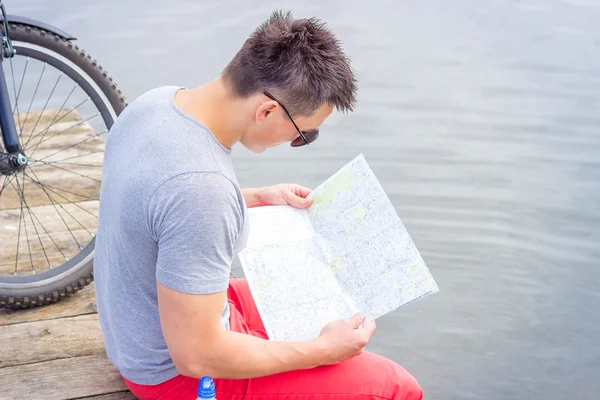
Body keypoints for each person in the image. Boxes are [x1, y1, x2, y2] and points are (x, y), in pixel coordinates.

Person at [94, 10, 423, 400]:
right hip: (172, 376)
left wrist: (252, 197)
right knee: (396, 386)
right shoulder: (202, 191)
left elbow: (159, 209)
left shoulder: (158, 104)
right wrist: (320, 352)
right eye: (303, 132)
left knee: (319, 306)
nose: (296, 142)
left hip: (137, 326)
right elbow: (196, 357)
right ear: (266, 110)